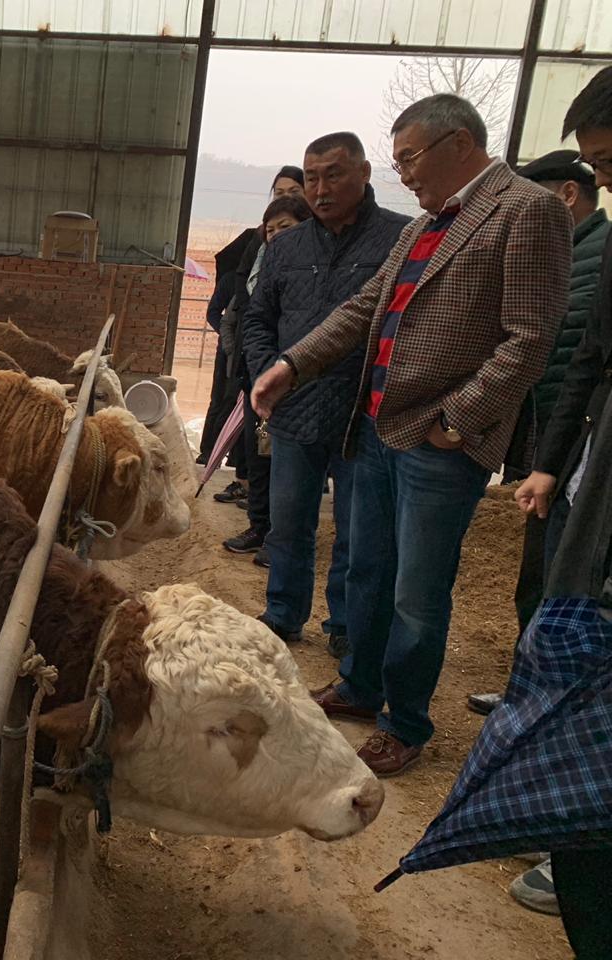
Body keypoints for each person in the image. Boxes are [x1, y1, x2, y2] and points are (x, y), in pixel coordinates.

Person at [252, 93, 571, 777]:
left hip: (436, 443)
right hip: (378, 427)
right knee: (367, 568)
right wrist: (292, 363)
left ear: (458, 144)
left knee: (416, 592)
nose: (403, 174)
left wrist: (459, 420)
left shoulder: (525, 210)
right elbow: (365, 306)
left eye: (409, 159)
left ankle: (405, 721)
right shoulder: (427, 224)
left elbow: (529, 337)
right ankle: (360, 684)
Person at [500, 69, 612, 931]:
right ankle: (567, 820)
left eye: (609, 164)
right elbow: (586, 359)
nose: (605, 180)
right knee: (567, 620)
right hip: (593, 476)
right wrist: (550, 461)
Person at [242, 132, 409, 650]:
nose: (320, 189)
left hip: (363, 414)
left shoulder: (399, 240)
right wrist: (269, 370)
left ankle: (345, 625)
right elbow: (257, 319)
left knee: (358, 535)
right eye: (311, 177)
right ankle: (283, 612)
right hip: (294, 411)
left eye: (333, 175)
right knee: (289, 524)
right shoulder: (286, 247)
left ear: (364, 173)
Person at [468, 150, 609, 718]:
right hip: (557, 443)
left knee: (561, 580)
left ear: (566, 195)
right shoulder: (569, 254)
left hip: (577, 443)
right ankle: (529, 691)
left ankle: (544, 702)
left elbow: (577, 362)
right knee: (540, 574)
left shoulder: (591, 257)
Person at [205, 166, 304, 504]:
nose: (276, 234)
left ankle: (273, 516)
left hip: (291, 368)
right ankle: (255, 508)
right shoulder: (258, 254)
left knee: (281, 449)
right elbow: (236, 310)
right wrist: (238, 349)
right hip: (251, 361)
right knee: (253, 437)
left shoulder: (311, 260)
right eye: (279, 193)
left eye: (293, 192)